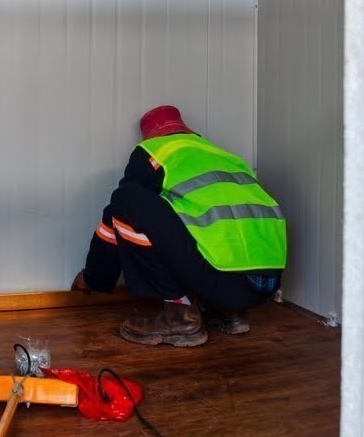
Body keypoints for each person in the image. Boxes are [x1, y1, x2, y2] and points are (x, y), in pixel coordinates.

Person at [71, 105, 287, 347]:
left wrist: (93, 277)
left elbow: (123, 209)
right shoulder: (225, 157)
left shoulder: (154, 152)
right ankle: (230, 313)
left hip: (221, 282)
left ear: (150, 135)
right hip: (266, 284)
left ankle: (180, 317)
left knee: (123, 200)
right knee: (199, 228)